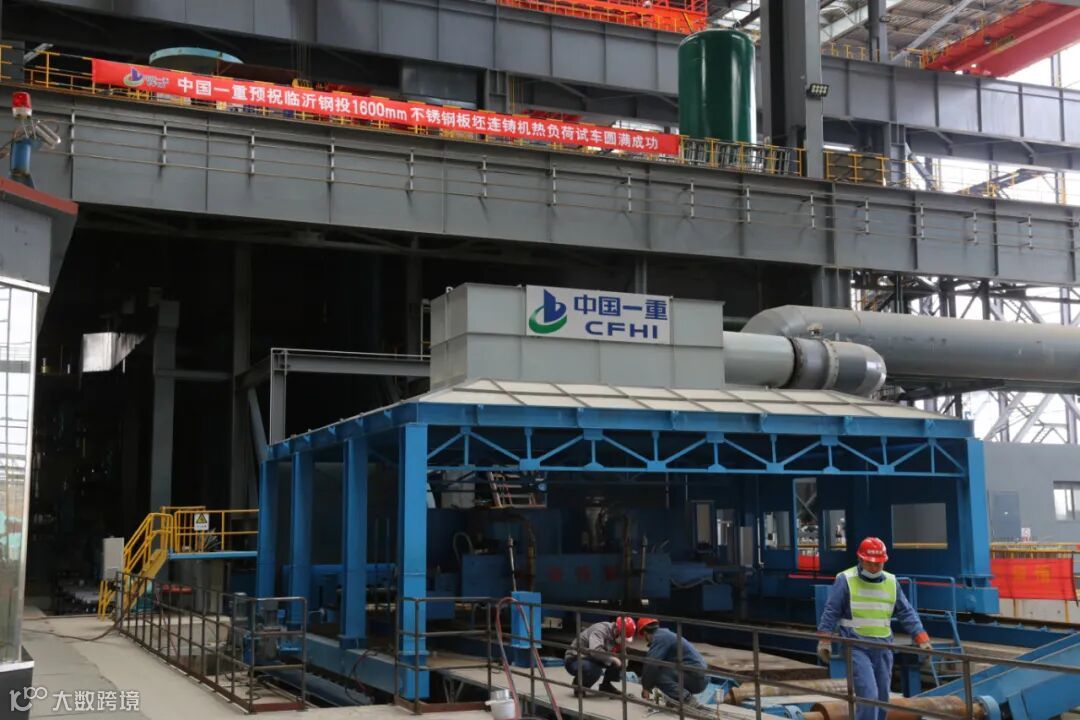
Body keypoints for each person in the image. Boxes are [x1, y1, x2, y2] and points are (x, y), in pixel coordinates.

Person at [816, 537, 934, 720]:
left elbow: (906, 612)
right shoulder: (845, 579)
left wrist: (921, 638)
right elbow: (831, 611)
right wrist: (825, 640)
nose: (874, 567)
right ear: (860, 559)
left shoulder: (891, 582)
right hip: (856, 646)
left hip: (884, 647)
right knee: (869, 696)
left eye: (878, 564)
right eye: (870, 563)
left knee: (882, 698)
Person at [636, 617, 710, 711]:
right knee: (660, 668)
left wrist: (646, 687)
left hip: (697, 678)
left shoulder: (660, 638)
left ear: (645, 633)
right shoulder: (665, 635)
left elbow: (651, 664)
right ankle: (676, 699)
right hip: (698, 676)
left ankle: (687, 700)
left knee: (656, 674)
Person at [564, 616, 635, 697]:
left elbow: (622, 655)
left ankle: (606, 685)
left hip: (591, 658)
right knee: (595, 670)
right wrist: (612, 658)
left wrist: (623, 660)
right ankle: (578, 686)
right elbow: (595, 652)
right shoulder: (600, 630)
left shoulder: (616, 636)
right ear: (616, 630)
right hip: (575, 658)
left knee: (619, 659)